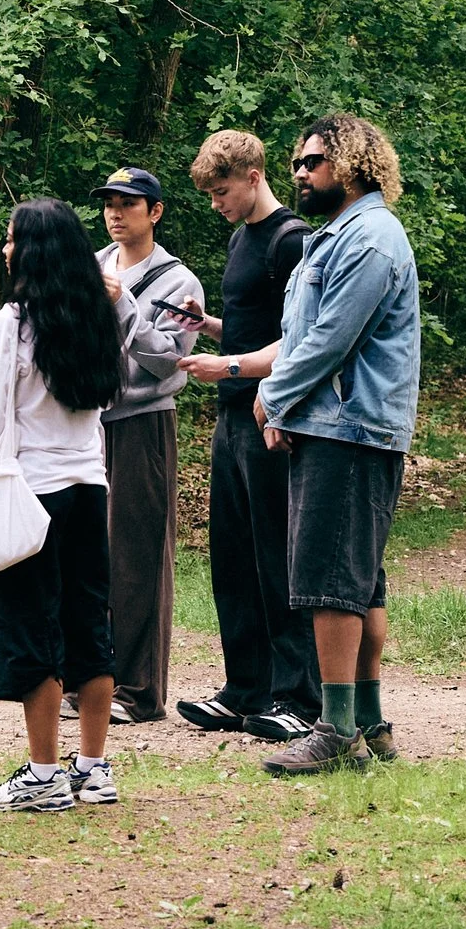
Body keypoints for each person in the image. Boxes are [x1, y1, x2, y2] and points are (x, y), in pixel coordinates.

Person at [258, 115, 421, 776]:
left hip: (348, 429)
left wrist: (274, 393)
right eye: (299, 161)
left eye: (314, 161)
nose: (301, 171)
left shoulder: (371, 240)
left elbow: (330, 339)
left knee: (331, 583)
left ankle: (336, 727)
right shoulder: (342, 235)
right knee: (361, 584)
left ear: (354, 164)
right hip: (339, 426)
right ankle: (371, 720)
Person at [0, 201, 125, 812]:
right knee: (89, 621)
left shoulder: (14, 321)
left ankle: (42, 774)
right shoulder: (98, 315)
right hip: (89, 488)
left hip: (28, 493)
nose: (6, 250)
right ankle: (94, 766)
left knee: (32, 624)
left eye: (11, 240)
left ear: (32, 250)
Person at [176, 131, 320, 742]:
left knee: (274, 556)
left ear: (255, 176)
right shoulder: (241, 240)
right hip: (232, 414)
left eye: (222, 190)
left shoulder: (292, 242)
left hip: (272, 418)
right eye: (209, 194)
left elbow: (303, 339)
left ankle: (297, 696)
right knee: (231, 557)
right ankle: (244, 690)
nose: (216, 203)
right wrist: (208, 326)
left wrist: (240, 374)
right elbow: (250, 326)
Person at [90, 167, 204, 726]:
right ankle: (90, 681)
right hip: (88, 424)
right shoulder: (94, 265)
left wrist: (121, 305)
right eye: (110, 203)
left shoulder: (179, 282)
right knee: (91, 555)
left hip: (142, 423)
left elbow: (171, 357)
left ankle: (138, 691)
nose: (115, 213)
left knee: (138, 555)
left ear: (154, 212)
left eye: (128, 204)